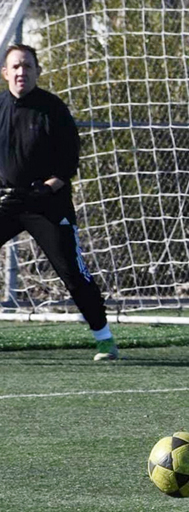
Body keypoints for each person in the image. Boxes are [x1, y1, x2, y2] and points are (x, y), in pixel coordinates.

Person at [0, 44, 120, 361]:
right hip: (6, 202)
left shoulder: (53, 109)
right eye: (15, 66)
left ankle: (105, 339)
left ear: (37, 71)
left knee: (71, 271)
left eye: (27, 66)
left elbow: (69, 163)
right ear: (5, 73)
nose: (21, 72)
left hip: (47, 205)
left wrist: (47, 188)